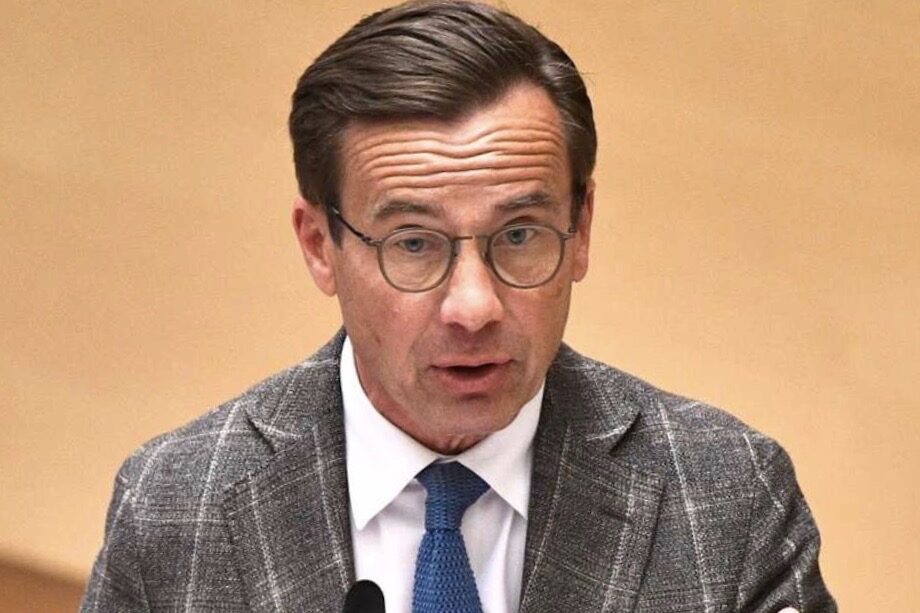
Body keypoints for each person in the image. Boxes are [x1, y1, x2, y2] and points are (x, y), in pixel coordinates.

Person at [81, 1, 836, 611]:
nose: (474, 307)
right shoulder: (177, 510)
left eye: (519, 235)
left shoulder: (727, 500)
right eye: (413, 243)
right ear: (319, 245)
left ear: (581, 230)